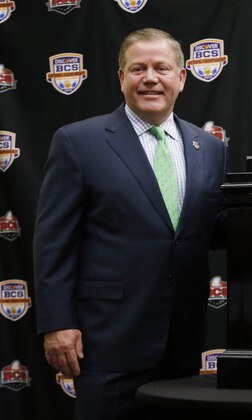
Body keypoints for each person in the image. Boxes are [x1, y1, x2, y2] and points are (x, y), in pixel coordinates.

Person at [34, 28, 227, 419]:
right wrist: (58, 323)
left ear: (182, 77)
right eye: (138, 68)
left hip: (182, 343)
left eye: (162, 68)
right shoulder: (78, 142)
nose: (150, 78)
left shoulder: (209, 148)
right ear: (121, 78)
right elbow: (54, 241)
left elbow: (217, 229)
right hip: (108, 344)